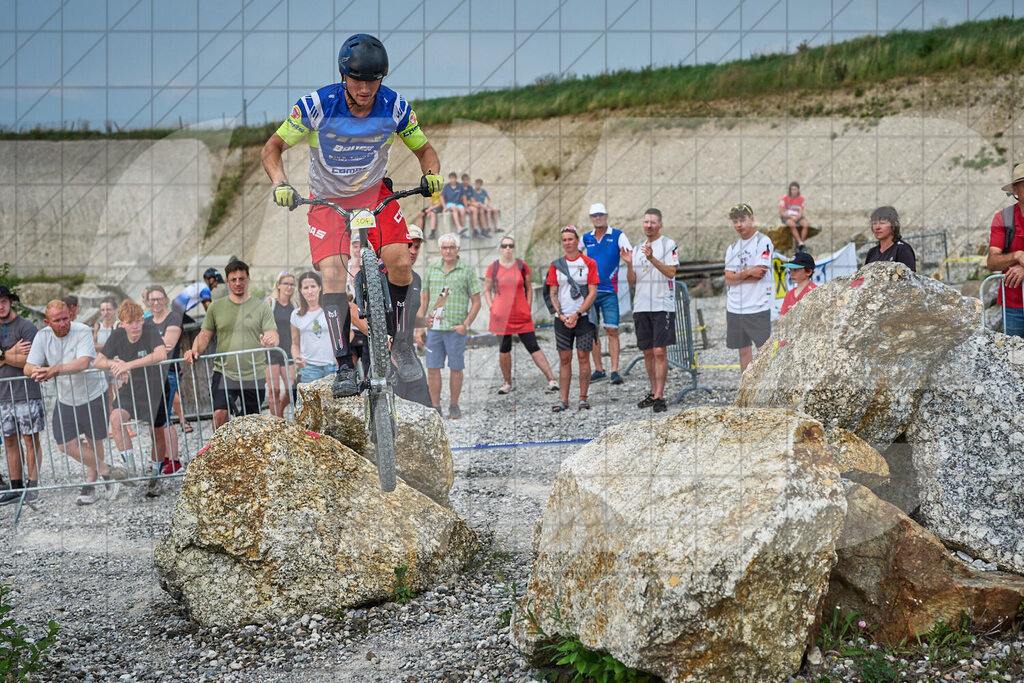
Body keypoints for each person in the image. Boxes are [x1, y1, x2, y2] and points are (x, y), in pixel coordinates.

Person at [262, 33, 442, 399]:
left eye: (373, 80)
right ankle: (344, 363)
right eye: (358, 79)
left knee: (400, 261)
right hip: (327, 199)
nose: (365, 87)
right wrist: (281, 183)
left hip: (374, 191)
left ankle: (403, 345)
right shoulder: (316, 105)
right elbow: (272, 148)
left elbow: (425, 150)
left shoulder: (393, 106)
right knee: (330, 273)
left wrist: (432, 175)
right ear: (344, 76)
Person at [24, 300, 125, 505]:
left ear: (70, 315)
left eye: (65, 318)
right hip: (66, 397)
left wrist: (52, 370)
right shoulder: (42, 337)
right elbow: (27, 367)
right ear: (47, 322)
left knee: (94, 439)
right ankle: (107, 472)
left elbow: (83, 362)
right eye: (57, 320)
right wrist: (37, 371)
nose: (63, 323)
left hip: (92, 392)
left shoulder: (82, 330)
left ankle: (90, 483)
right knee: (64, 444)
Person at [183, 260, 278, 429]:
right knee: (220, 414)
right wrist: (193, 350)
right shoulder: (216, 307)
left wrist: (271, 339)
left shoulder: (261, 307)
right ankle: (220, 453)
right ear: (227, 281)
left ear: (248, 279)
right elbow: (204, 335)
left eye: (241, 279)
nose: (238, 283)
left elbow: (272, 333)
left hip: (253, 373)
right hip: (225, 372)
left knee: (253, 422)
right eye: (233, 279)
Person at [93, 300, 171, 497]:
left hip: (156, 386)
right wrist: (114, 363)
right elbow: (98, 361)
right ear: (122, 324)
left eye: (138, 321)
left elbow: (161, 354)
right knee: (116, 418)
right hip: (132, 388)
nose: (136, 326)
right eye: (131, 322)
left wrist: (129, 365)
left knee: (157, 432)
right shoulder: (117, 335)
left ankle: (155, 476)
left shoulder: (150, 329)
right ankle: (131, 469)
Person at [354, 226, 432, 407]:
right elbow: (353, 312)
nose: (413, 251)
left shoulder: (416, 279)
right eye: (409, 245)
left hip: (407, 354)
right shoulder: (377, 273)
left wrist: (424, 321)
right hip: (381, 355)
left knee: (423, 407)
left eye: (417, 247)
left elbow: (406, 318)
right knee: (390, 412)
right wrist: (382, 337)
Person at [482, 236, 558, 395]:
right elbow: (487, 290)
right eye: (504, 246)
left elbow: (529, 288)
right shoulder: (493, 267)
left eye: (510, 245)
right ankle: (507, 383)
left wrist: (528, 305)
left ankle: (552, 379)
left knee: (533, 346)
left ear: (514, 248)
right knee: (504, 348)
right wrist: (492, 307)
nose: (508, 249)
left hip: (521, 314)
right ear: (500, 248)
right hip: (501, 316)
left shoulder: (522, 266)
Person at [624, 209, 678, 414]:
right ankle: (653, 391)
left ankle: (661, 395)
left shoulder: (668, 244)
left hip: (662, 304)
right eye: (646, 222)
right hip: (641, 305)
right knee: (647, 352)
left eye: (653, 222)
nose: (649, 226)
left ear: (660, 225)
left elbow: (672, 272)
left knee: (659, 351)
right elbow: (632, 282)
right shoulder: (637, 248)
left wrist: (653, 258)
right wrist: (629, 265)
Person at [422, 233, 481, 418]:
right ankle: (435, 406)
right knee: (432, 367)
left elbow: (477, 301)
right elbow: (424, 299)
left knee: (456, 367)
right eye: (445, 247)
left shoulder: (468, 270)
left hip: (456, 329)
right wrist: (420, 324)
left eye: (451, 247)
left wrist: (466, 324)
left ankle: (454, 405)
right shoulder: (431, 270)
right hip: (434, 329)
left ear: (458, 249)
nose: (448, 251)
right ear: (440, 250)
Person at [546, 226, 599, 412]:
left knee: (583, 357)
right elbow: (553, 292)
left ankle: (583, 397)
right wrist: (561, 315)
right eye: (564, 240)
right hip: (562, 319)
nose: (568, 243)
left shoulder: (589, 263)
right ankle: (563, 399)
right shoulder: (556, 265)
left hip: (583, 317)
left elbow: (592, 292)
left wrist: (577, 314)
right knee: (564, 358)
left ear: (577, 241)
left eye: (570, 239)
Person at [0, 286, 44, 505]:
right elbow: (18, 358)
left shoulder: (26, 327)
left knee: (30, 440)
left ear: (11, 302)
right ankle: (16, 486)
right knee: (9, 441)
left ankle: (33, 485)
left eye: (4, 301)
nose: (0, 305)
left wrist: (2, 355)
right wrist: (11, 353)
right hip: (3, 396)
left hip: (27, 393)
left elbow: (30, 361)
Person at [581, 202, 630, 385]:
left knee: (612, 329)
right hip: (591, 291)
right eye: (594, 215)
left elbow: (629, 254)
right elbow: (576, 257)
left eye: (600, 214)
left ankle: (615, 370)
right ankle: (599, 369)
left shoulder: (617, 235)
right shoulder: (586, 238)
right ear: (590, 218)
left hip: (609, 290)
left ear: (606, 216)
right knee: (594, 331)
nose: (598, 218)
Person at [724, 203, 774, 372]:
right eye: (735, 221)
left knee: (763, 351)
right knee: (743, 351)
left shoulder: (762, 241)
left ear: (751, 219)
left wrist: (739, 275)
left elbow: (759, 274)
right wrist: (747, 272)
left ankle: (763, 388)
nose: (739, 225)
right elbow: (728, 279)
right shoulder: (732, 247)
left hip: (757, 305)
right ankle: (746, 388)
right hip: (735, 307)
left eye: (742, 220)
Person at [146, 286, 187, 465]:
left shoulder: (173, 318)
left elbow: (168, 346)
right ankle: (162, 457)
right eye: (152, 299)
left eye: (159, 298)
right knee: (154, 419)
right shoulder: (146, 323)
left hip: (168, 372)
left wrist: (149, 349)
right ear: (148, 302)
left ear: (165, 299)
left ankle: (174, 460)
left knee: (165, 416)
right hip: (150, 375)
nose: (156, 302)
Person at [987, 163, 1024, 338]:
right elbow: (992, 262)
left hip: (1014, 301)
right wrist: (1017, 256)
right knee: (1014, 359)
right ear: (1015, 190)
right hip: (1013, 306)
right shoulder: (1003, 218)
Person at [291, 271, 337, 384]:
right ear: (301, 291)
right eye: (306, 288)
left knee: (333, 401)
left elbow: (348, 334)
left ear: (320, 287)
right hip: (309, 369)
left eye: (313, 286)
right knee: (311, 402)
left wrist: (340, 355)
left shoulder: (330, 310)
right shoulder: (296, 315)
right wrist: (296, 357)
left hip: (332, 366)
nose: (310, 291)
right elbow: (295, 343)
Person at [265, 271, 296, 417]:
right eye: (286, 283)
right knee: (274, 390)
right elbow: (260, 324)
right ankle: (278, 423)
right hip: (272, 352)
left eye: (292, 284)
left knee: (292, 389)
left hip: (288, 351)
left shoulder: (295, 306)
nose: (289, 287)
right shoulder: (270, 303)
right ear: (278, 285)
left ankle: (280, 412)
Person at [864, 206, 916, 272]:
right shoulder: (872, 253)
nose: (877, 227)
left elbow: (910, 279)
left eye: (882, 223)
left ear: (894, 225)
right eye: (874, 223)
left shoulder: (903, 249)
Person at [779, 252, 817, 316]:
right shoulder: (789, 294)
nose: (791, 273)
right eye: (790, 270)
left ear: (808, 272)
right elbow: (781, 320)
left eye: (795, 270)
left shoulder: (815, 291)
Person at [780, 181, 811, 252]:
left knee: (806, 224)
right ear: (790, 190)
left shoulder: (801, 199)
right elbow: (782, 212)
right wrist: (790, 216)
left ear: (798, 190)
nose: (794, 191)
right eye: (792, 189)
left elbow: (801, 211)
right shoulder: (785, 198)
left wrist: (797, 217)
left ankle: (800, 243)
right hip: (787, 216)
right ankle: (800, 243)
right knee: (792, 224)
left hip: (796, 216)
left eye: (795, 189)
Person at [461, 173, 487, 237]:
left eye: (467, 180)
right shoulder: (460, 187)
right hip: (462, 205)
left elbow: (472, 197)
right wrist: (473, 204)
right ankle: (475, 230)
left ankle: (483, 229)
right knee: (475, 209)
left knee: (480, 209)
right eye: (465, 180)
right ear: (462, 181)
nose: (466, 181)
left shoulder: (469, 187)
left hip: (469, 203)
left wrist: (476, 203)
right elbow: (463, 199)